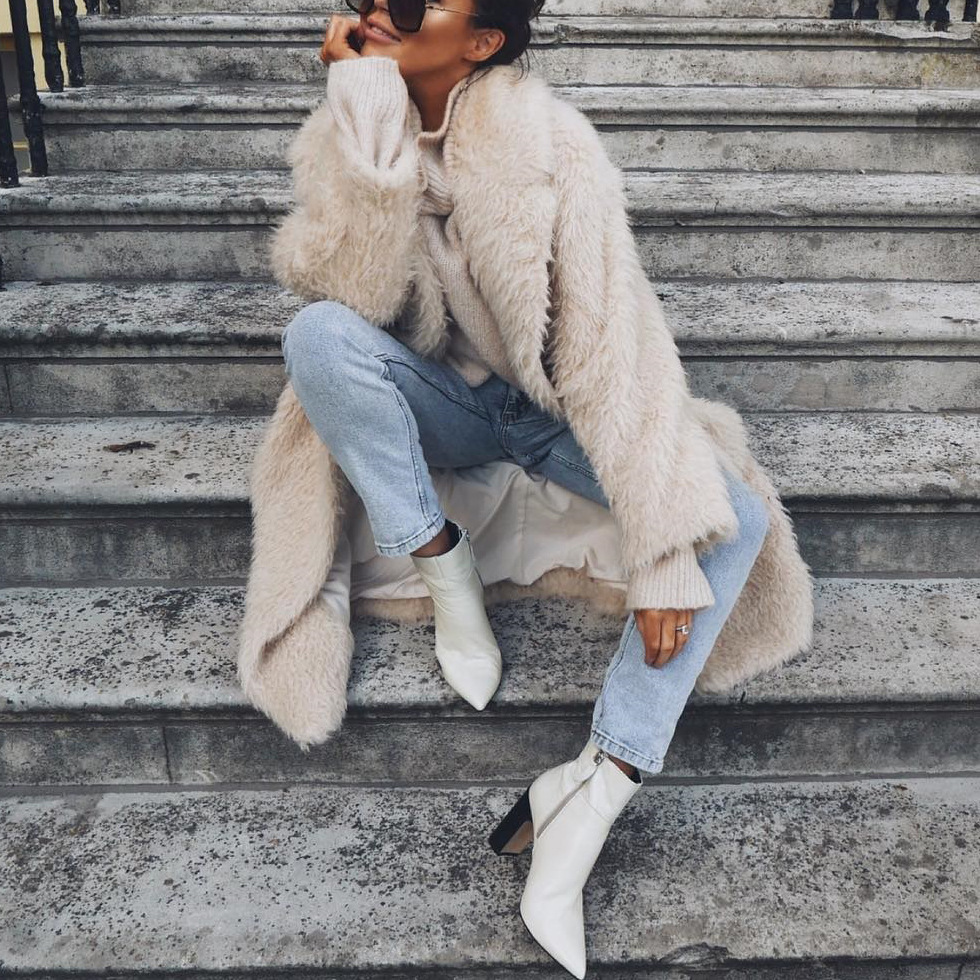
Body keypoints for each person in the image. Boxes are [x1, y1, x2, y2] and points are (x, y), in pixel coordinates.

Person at [250, 2, 812, 977]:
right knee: (316, 339)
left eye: (420, 3)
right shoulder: (348, 121)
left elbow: (613, 346)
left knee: (734, 516)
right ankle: (442, 563)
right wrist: (366, 111)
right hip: (439, 403)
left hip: (552, 415)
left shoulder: (552, 143)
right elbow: (355, 298)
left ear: (481, 42)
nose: (385, 9)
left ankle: (587, 798)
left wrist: (661, 546)